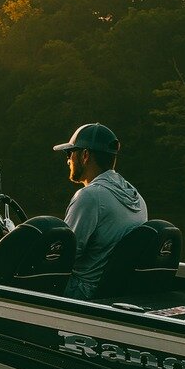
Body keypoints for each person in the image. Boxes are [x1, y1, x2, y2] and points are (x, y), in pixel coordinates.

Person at [54, 122, 147, 300]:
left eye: (70, 153)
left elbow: (64, 254)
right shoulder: (137, 198)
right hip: (113, 290)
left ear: (85, 155)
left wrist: (13, 243)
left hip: (84, 291)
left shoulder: (90, 197)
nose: (67, 160)